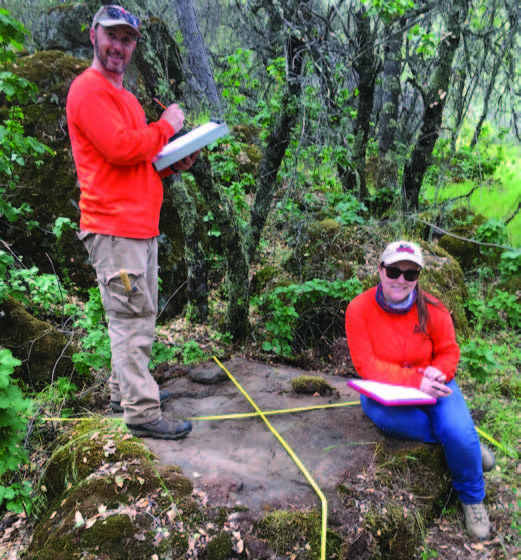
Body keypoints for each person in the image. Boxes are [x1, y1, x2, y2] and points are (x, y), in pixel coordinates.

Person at [67, 4, 197, 440]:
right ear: (94, 36)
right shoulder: (88, 90)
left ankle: (121, 393)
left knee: (138, 312)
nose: (119, 46)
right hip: (114, 230)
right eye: (112, 36)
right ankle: (141, 413)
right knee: (130, 317)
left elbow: (135, 163)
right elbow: (123, 148)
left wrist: (175, 163)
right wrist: (166, 126)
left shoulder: (123, 96)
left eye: (127, 39)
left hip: (139, 228)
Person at [345, 240, 495, 540]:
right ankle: (466, 446)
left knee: (455, 427)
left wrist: (441, 371)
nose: (401, 279)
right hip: (385, 389)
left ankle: (472, 499)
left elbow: (449, 351)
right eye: (394, 270)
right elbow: (366, 365)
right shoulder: (358, 309)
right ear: (380, 270)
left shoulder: (434, 309)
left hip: (435, 386)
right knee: (406, 424)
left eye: (410, 274)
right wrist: (415, 381)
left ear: (418, 277)